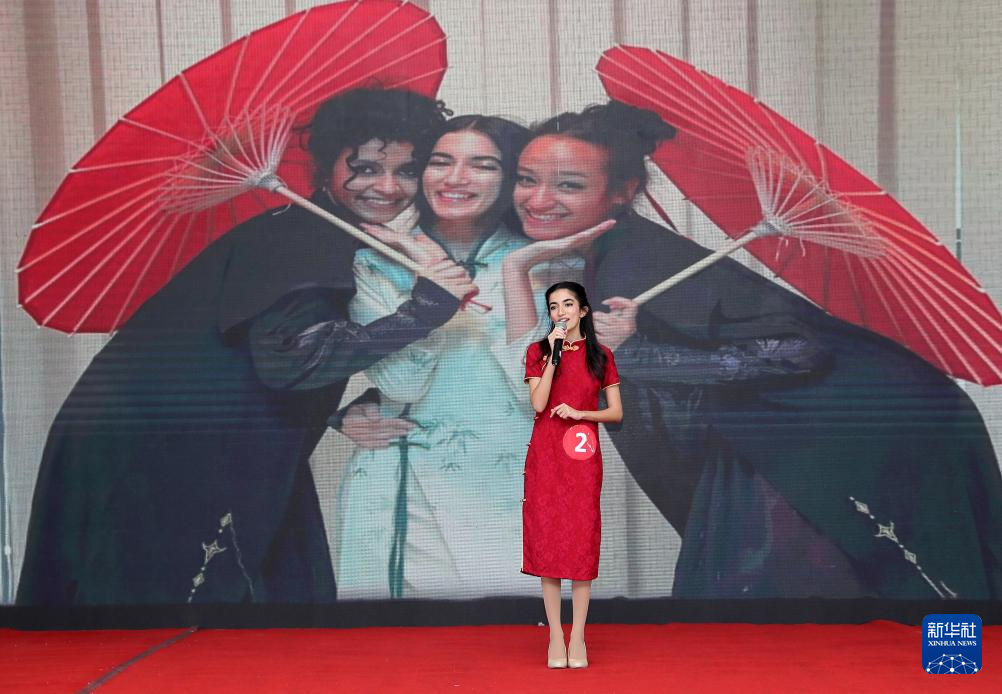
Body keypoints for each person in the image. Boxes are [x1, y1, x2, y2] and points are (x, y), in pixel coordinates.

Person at [503, 101, 1002, 600]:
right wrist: (517, 271)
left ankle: (942, 649)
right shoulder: (610, 252)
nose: (538, 200)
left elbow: (797, 349)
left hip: (863, 420)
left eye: (569, 185)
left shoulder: (639, 259)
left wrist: (633, 352)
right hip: (783, 427)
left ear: (622, 190)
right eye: (527, 180)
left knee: (797, 597)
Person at [16, 88, 476, 605]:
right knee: (182, 620)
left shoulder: (322, 230)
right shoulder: (298, 239)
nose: (388, 187)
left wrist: (337, 412)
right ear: (326, 164)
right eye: (365, 168)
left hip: (200, 436)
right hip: (156, 449)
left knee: (269, 600)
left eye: (407, 171)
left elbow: (269, 353)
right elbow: (292, 362)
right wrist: (426, 308)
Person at [333, 115, 555, 599]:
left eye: (483, 165)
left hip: (504, 487)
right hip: (396, 483)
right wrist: (429, 289)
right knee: (393, 642)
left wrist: (509, 276)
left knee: (508, 634)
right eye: (440, 162)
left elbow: (537, 392)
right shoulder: (373, 261)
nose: (455, 178)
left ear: (511, 178)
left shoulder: (548, 261)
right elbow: (401, 386)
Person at [522, 281, 621, 669]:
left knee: (580, 541)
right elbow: (539, 403)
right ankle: (554, 635)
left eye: (567, 304)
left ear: (583, 311)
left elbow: (615, 412)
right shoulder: (538, 351)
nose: (560, 312)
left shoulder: (601, 355)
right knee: (548, 541)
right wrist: (553, 355)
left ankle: (578, 634)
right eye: (553, 306)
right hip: (546, 454)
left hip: (582, 453)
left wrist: (582, 413)